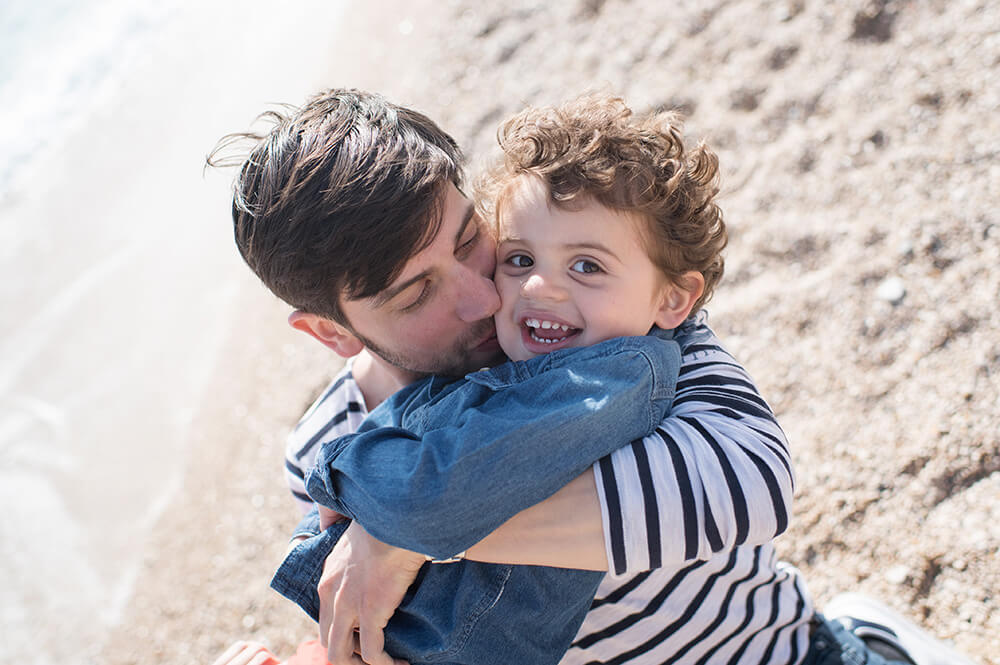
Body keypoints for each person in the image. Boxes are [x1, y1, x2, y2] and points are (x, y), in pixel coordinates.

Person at [212, 90, 976, 665]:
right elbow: (400, 633)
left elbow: (753, 484)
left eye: (472, 239)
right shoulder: (333, 450)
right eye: (416, 293)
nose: (485, 296)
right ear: (331, 332)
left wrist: (404, 530)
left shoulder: (610, 332)